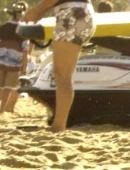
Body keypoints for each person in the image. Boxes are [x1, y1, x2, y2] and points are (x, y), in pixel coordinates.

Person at [24, 0, 95, 132]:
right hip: (79, 13)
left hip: (71, 14)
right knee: (63, 75)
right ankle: (59, 125)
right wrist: (40, 12)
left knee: (63, 76)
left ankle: (59, 126)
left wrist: (36, 11)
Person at [0, 2, 31, 116]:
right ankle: (2, 110)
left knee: (0, 86)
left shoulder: (2, 28)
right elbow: (25, 50)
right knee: (8, 88)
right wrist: (24, 65)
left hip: (0, 60)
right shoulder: (23, 30)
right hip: (14, 62)